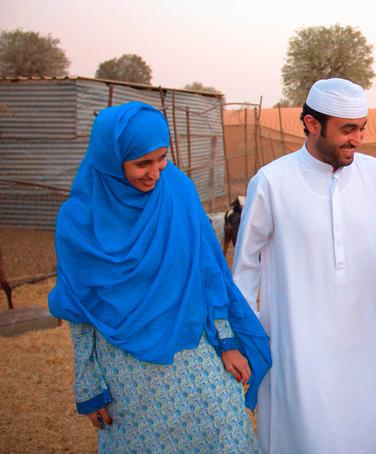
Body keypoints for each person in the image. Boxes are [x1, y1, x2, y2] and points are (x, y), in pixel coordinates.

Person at [232, 78, 376, 454]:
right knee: (309, 436)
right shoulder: (272, 181)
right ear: (312, 124)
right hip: (300, 345)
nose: (358, 139)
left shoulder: (374, 173)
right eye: (348, 129)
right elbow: (245, 267)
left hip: (370, 338)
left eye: (362, 128)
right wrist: (251, 332)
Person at [48, 101, 271, 453]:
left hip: (191, 350)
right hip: (128, 374)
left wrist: (226, 342)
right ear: (110, 160)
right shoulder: (79, 223)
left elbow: (207, 273)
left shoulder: (177, 192)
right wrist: (88, 384)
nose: (155, 172)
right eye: (142, 163)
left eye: (162, 158)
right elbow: (79, 310)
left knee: (226, 431)